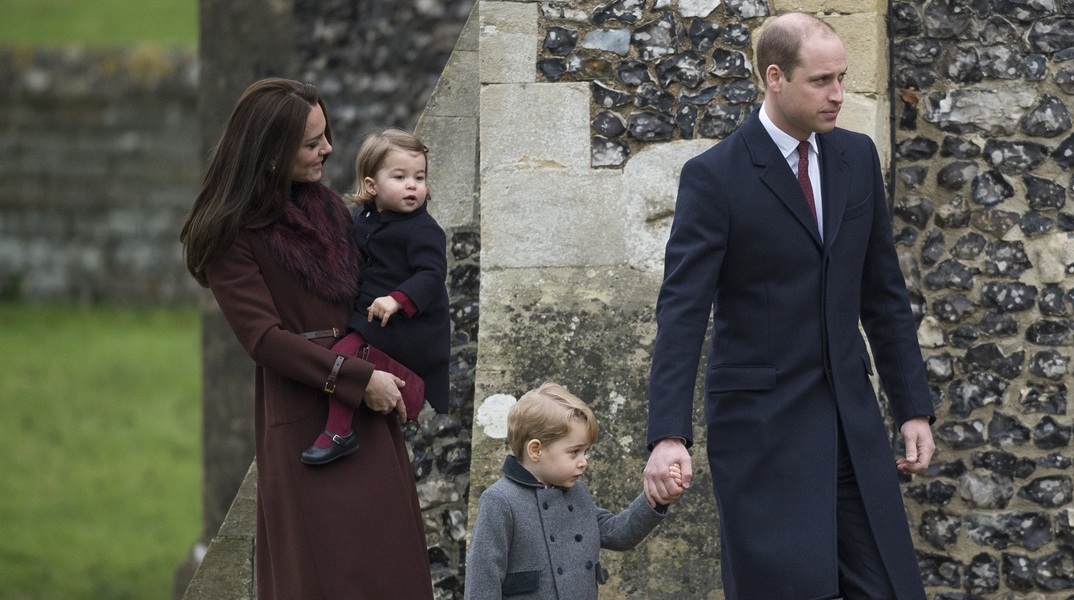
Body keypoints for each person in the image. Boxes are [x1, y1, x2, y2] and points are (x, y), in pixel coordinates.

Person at [642, 12, 936, 600]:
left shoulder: (856, 159)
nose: (839, 95)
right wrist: (667, 435)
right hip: (761, 433)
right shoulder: (714, 177)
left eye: (843, 78)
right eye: (822, 80)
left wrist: (912, 408)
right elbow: (681, 310)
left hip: (851, 423)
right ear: (775, 77)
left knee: (887, 588)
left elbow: (882, 296)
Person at [179, 78, 434, 599]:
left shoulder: (332, 211)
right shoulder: (231, 235)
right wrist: (359, 380)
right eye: (312, 142)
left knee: (392, 571)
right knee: (326, 577)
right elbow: (264, 340)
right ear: (270, 154)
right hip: (306, 420)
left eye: (326, 135)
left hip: (368, 409)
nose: (329, 150)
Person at [300, 128, 450, 465]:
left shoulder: (424, 230)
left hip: (408, 322)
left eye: (419, 177)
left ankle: (340, 432)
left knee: (343, 359)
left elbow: (432, 274)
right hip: (371, 314)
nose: (412, 185)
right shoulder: (364, 219)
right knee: (351, 355)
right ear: (371, 186)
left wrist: (398, 299)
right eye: (400, 176)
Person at [465, 382, 681, 600]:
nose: (583, 461)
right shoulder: (500, 500)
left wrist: (656, 496)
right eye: (574, 452)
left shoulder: (578, 493)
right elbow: (482, 580)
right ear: (535, 450)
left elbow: (617, 534)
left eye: (585, 451)